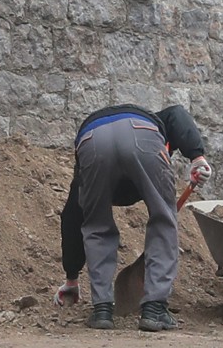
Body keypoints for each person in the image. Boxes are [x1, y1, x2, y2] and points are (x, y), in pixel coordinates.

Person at [53, 104, 212, 331]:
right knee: (163, 221)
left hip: (91, 140)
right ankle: (155, 310)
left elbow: (72, 218)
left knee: (95, 225)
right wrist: (196, 156)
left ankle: (102, 311)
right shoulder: (158, 120)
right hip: (143, 134)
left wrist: (71, 277)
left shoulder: (89, 160)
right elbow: (177, 113)